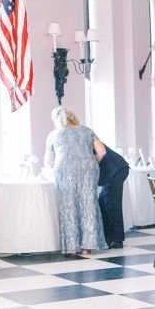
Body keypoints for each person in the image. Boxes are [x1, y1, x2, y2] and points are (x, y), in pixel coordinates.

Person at [44, 107, 106, 254]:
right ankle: (87, 247)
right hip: (88, 168)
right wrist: (92, 162)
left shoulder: (54, 135)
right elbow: (102, 151)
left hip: (65, 169)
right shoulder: (87, 130)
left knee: (68, 205)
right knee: (88, 204)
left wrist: (51, 166)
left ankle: (72, 247)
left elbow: (47, 162)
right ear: (73, 116)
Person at [97, 143, 130, 249]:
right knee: (102, 201)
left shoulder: (85, 137)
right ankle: (109, 237)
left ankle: (116, 240)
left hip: (116, 170)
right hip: (114, 170)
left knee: (111, 203)